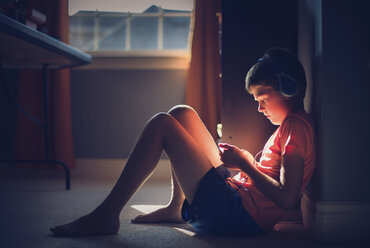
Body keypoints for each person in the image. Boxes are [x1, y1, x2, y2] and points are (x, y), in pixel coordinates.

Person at [50, 47, 315, 236]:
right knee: (181, 113)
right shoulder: (294, 127)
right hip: (235, 199)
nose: (260, 108)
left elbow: (288, 198)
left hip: (233, 215)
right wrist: (244, 166)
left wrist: (246, 165)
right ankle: (176, 207)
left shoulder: (295, 128)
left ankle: (106, 216)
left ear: (288, 88)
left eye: (263, 98)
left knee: (161, 123)